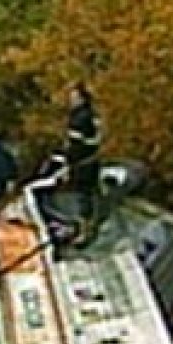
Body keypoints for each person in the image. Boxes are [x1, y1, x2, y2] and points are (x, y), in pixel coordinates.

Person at [65, 83, 102, 234]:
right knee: (85, 193)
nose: (71, 100)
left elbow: (94, 138)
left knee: (84, 195)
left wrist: (80, 139)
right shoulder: (78, 115)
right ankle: (86, 225)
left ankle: (86, 227)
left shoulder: (85, 116)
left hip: (85, 160)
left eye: (74, 97)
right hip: (79, 160)